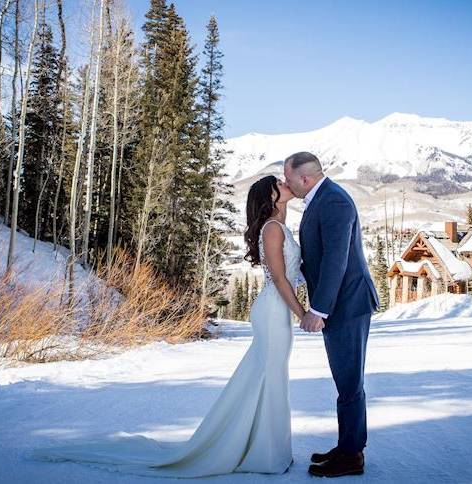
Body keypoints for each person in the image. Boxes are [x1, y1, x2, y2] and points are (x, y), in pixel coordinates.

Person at [32, 175, 305, 478]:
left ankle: (269, 449)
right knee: (269, 374)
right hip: (272, 310)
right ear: (269, 197)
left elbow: (292, 274)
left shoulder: (280, 226)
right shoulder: (271, 228)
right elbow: (279, 279)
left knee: (271, 375)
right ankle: (263, 454)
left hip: (277, 312)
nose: (286, 183)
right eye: (279, 183)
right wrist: (303, 313)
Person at [283, 151, 379, 478]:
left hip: (348, 304)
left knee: (350, 381)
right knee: (345, 380)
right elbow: (319, 255)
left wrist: (317, 309)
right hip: (341, 302)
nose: (286, 183)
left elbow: (336, 261)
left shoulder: (334, 201)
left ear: (304, 179)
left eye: (289, 178)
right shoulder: (322, 198)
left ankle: (352, 456)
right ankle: (347, 446)